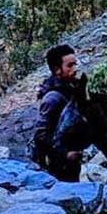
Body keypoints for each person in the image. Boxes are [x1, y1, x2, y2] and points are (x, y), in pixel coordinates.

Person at [32, 44, 86, 182]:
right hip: (58, 165)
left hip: (72, 160)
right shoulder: (52, 98)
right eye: (70, 66)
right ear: (57, 70)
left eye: (75, 64)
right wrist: (65, 155)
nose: (75, 69)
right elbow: (40, 136)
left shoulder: (71, 88)